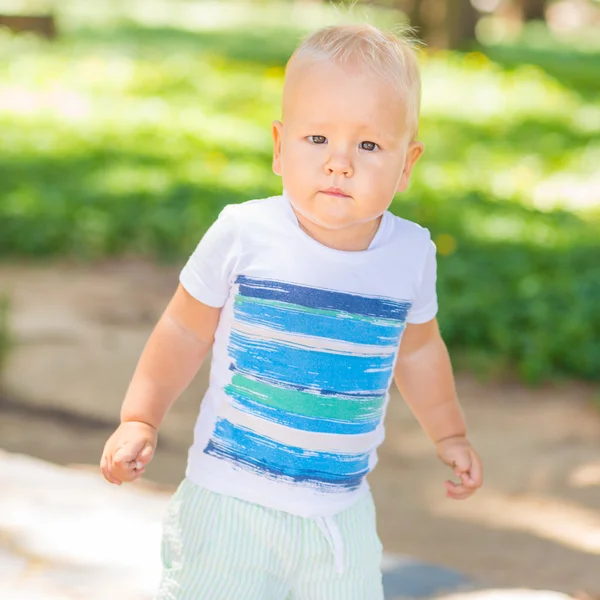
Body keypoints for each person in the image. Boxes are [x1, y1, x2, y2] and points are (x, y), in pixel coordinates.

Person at [100, 22, 483, 599]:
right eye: (317, 140)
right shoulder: (245, 234)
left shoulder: (410, 254)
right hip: (229, 505)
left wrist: (449, 433)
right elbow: (182, 328)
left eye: (370, 145)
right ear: (280, 147)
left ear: (407, 164)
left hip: (339, 519)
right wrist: (140, 416)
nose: (340, 163)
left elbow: (421, 348)